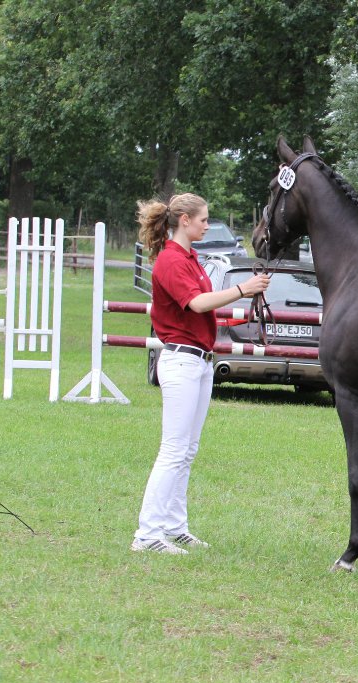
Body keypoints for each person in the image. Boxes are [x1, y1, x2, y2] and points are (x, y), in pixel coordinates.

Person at [130, 193, 270, 554]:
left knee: (186, 450)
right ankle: (147, 534)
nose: (208, 225)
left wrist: (239, 307)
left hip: (200, 361)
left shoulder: (190, 258)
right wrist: (242, 289)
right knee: (174, 450)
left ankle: (175, 527)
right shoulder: (172, 261)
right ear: (184, 220)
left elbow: (199, 310)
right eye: (204, 219)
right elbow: (195, 303)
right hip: (181, 362)